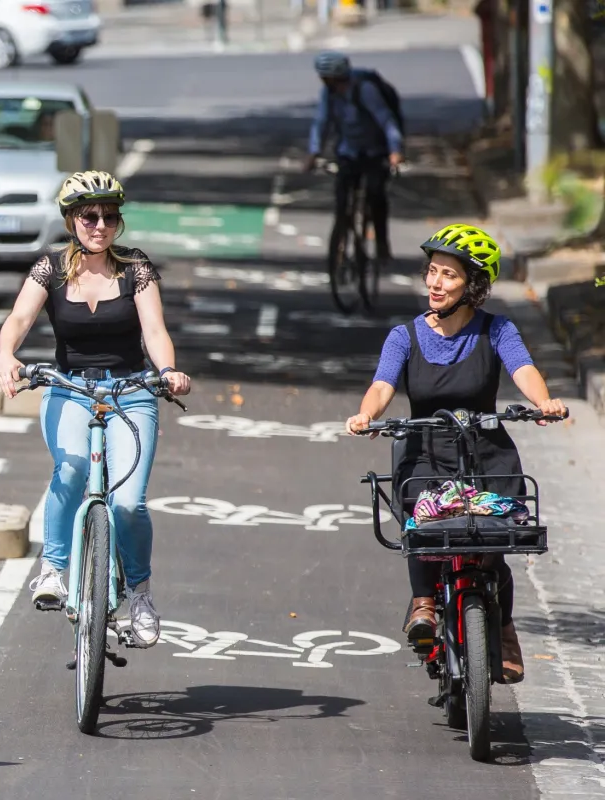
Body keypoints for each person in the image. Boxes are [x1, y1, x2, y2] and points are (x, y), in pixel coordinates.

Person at [345, 223, 568, 683]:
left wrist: (543, 402)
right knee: (423, 528)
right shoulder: (404, 336)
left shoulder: (497, 330)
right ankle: (423, 602)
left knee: (494, 541)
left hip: (486, 448)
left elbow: (524, 369)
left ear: (474, 285)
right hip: (424, 448)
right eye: (432, 272)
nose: (435, 283)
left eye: (448, 275)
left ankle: (503, 628)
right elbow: (382, 385)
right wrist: (366, 415)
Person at [0, 170, 191, 647]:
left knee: (127, 502)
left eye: (109, 216)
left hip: (130, 390)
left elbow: (155, 331)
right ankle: (53, 570)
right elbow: (18, 319)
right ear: (70, 220)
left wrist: (167, 371)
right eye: (89, 216)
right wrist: (6, 357)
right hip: (69, 388)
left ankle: (139, 594)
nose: (99, 225)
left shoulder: (135, 268)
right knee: (70, 470)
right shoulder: (51, 269)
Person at [305, 50, 403, 271]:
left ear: (335, 75)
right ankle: (341, 241)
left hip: (374, 151)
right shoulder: (328, 94)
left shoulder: (365, 90)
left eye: (325, 76)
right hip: (348, 152)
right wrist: (313, 153)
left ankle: (381, 242)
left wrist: (395, 150)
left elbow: (386, 120)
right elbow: (321, 123)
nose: (322, 80)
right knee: (342, 200)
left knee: (376, 195)